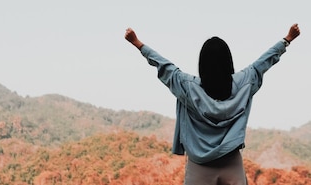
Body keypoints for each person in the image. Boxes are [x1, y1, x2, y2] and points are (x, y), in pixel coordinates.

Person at [124, 23, 301, 185]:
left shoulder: (188, 87)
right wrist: (287, 40)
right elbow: (262, 64)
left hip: (198, 165)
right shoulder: (243, 84)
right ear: (228, 61)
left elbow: (163, 65)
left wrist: (137, 43)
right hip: (232, 162)